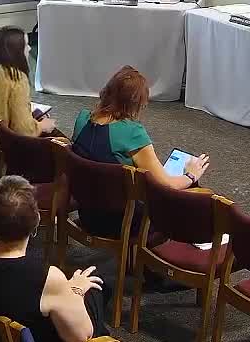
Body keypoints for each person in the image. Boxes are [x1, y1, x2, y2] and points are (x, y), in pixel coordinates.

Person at [0, 175, 107, 342]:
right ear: (36, 220)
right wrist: (76, 291)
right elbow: (80, 336)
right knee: (94, 288)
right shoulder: (47, 278)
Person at [72, 66, 209, 236]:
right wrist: (191, 175)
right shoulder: (132, 133)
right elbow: (167, 185)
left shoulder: (82, 119)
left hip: (87, 214)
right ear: (136, 103)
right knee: (190, 194)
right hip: (125, 223)